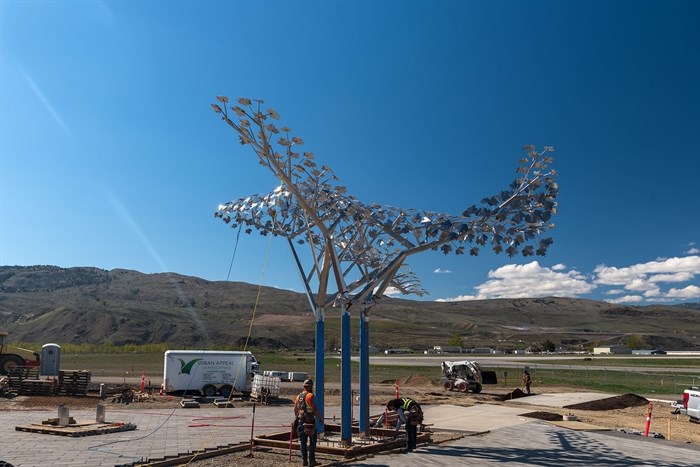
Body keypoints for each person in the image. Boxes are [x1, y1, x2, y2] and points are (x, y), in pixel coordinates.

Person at [294, 379, 324, 466]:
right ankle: (312, 461)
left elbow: (295, 409)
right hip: (310, 422)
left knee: (303, 442)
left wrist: (297, 417)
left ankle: (304, 461)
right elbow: (314, 408)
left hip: (301, 421)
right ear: (310, 387)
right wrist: (320, 417)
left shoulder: (298, 396)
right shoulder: (310, 396)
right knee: (312, 442)